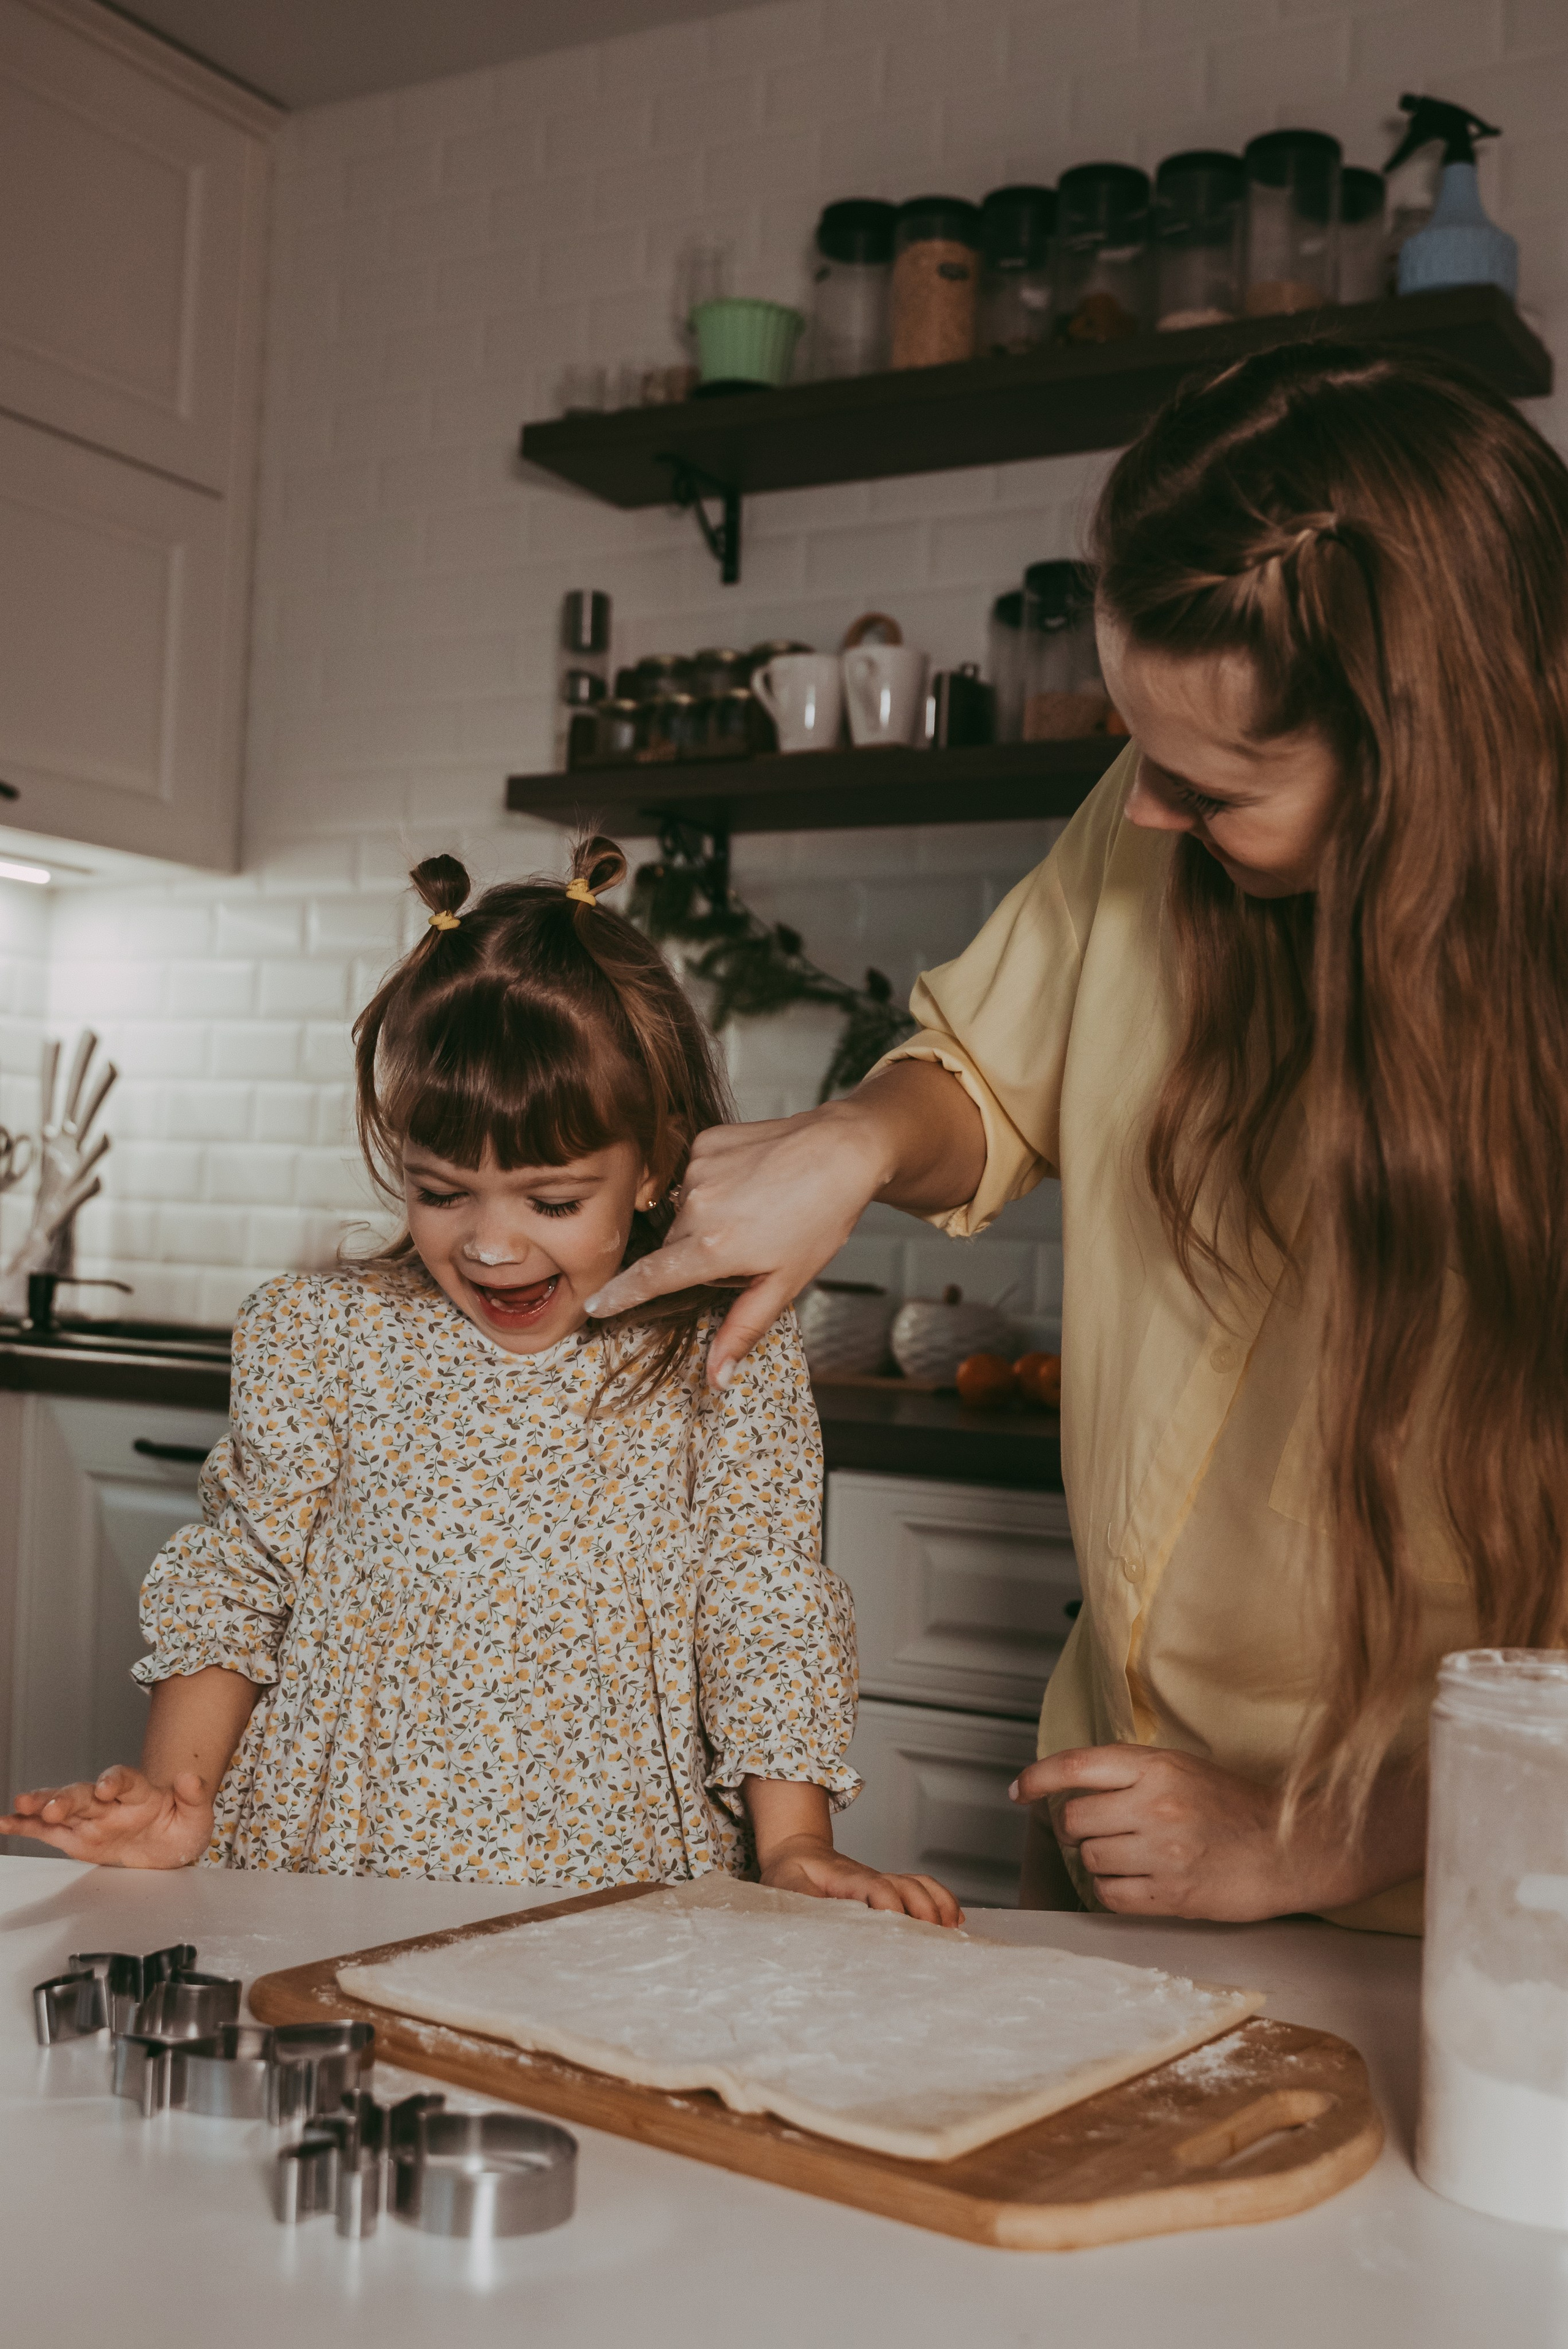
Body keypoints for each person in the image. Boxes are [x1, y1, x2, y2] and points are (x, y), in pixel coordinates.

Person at [586, 344, 1568, 1934]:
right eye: (1141, 755)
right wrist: (851, 1138)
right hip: (1123, 1801)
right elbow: (989, 1075)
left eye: (1212, 788)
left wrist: (1296, 1846)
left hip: (1441, 1900)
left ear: (1427, 774)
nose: (1150, 815)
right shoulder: (1161, 802)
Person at [1, 840, 961, 1925]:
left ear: (653, 1166)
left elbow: (763, 1604)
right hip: (333, 1862)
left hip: (619, 1874)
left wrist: (793, 1846)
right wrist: (181, 1796)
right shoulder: (327, 1339)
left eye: (552, 1202)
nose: (493, 1245)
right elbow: (238, 1586)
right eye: (441, 1192)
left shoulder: (724, 1351)